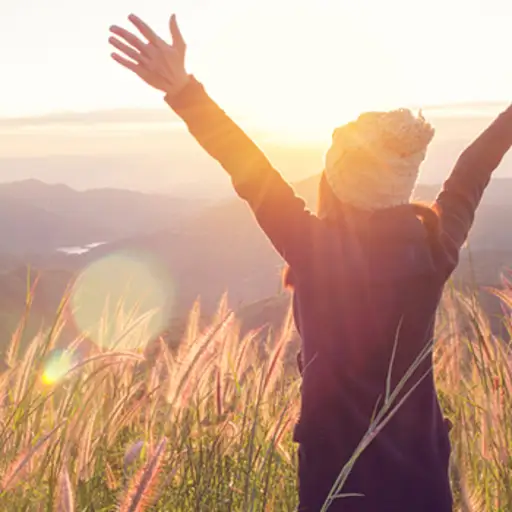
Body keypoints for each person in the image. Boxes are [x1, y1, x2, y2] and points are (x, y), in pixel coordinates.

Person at [108, 13, 512, 511]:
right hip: (424, 484)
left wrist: (184, 90)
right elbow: (475, 167)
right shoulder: (435, 247)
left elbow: (247, 167)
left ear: (336, 181)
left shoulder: (316, 251)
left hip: (337, 487)